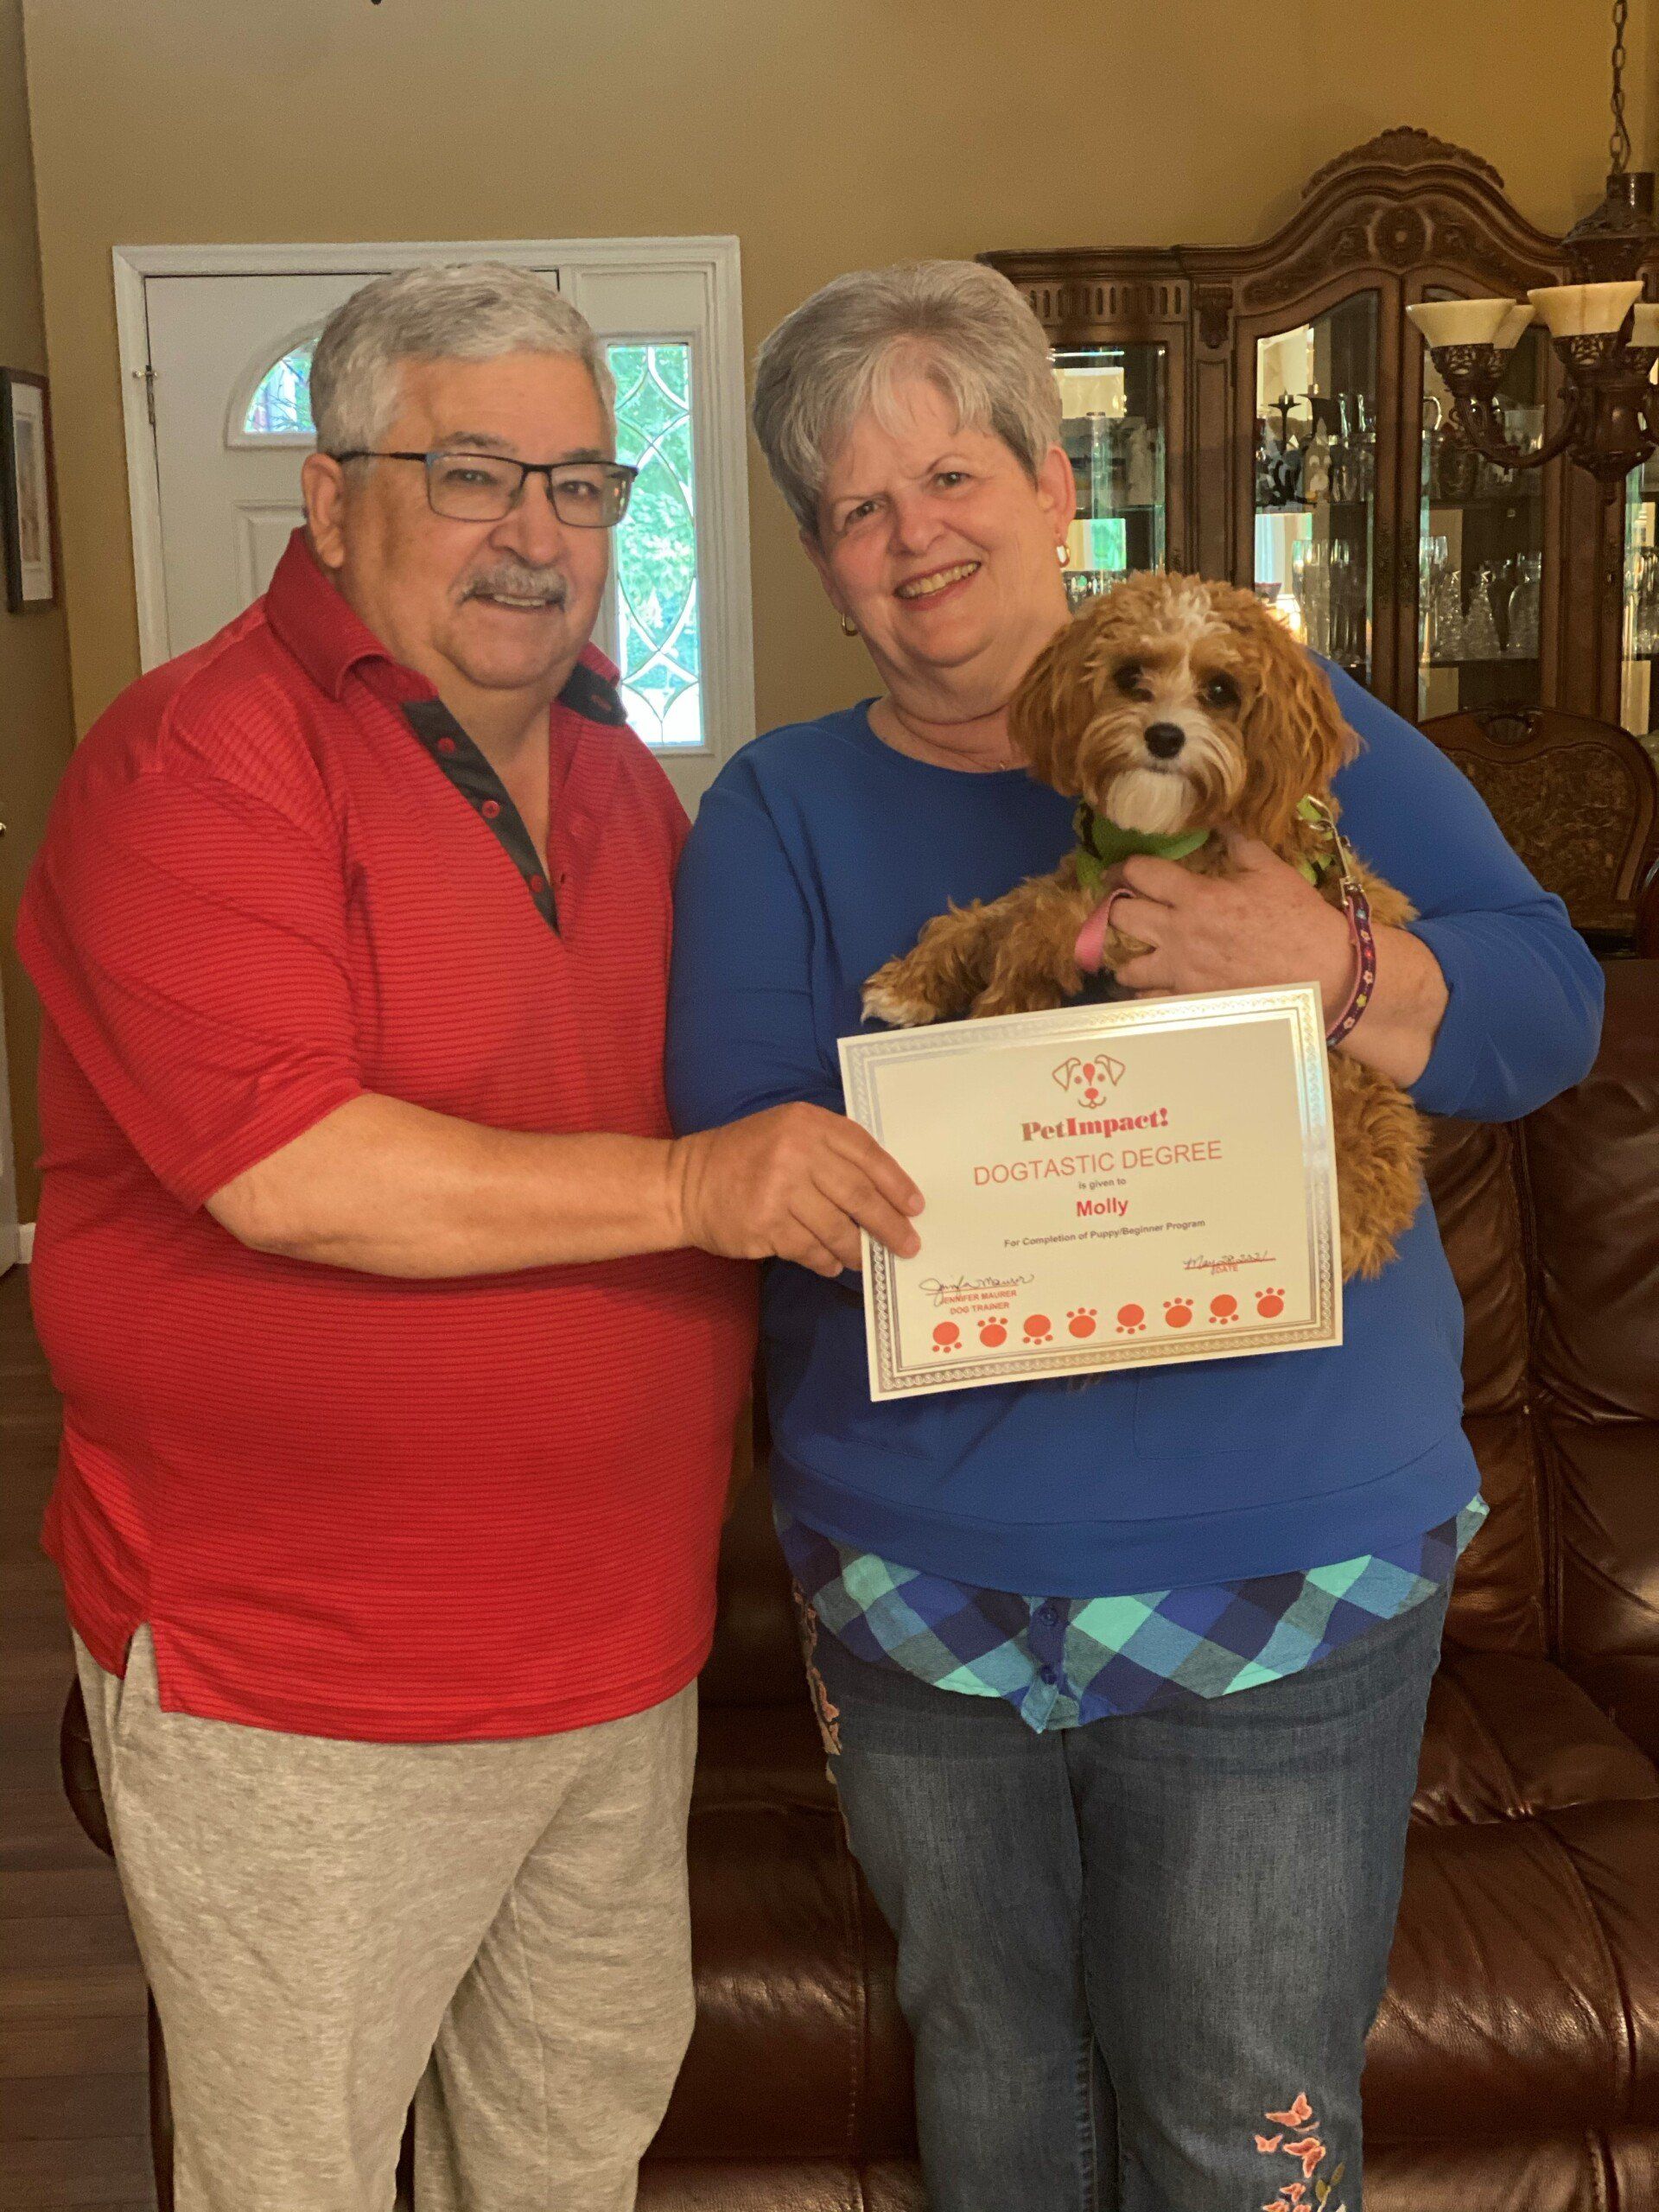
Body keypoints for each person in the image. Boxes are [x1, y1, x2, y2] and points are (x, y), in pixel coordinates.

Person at [665, 259, 1604, 2212]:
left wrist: (1335, 959)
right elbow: (738, 1165)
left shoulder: (1285, 717)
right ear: (824, 564)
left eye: (952, 475)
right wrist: (841, 1165)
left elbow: (1545, 1011)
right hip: (925, 1593)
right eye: (854, 507)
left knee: (1242, 2110)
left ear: (1051, 486)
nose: (912, 537)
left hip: (1288, 1557)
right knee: (997, 2091)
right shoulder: (778, 808)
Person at [16, 263, 921, 2212]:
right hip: (308, 1677)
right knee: (299, 2178)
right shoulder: (194, 759)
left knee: (568, 2143)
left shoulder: (623, 781)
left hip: (614, 1645)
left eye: (583, 485)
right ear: (335, 501)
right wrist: (694, 1187)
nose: (537, 533)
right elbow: (289, 1168)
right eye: (474, 473)